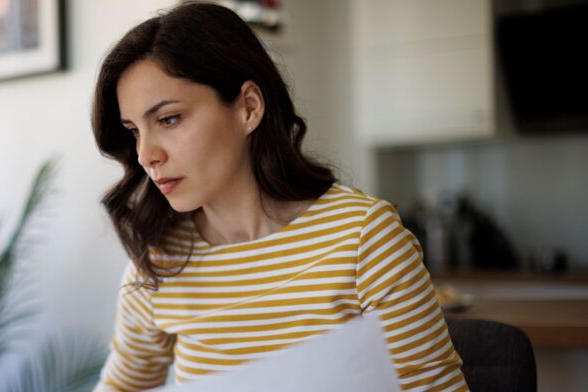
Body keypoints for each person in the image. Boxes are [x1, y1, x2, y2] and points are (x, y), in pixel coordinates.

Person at [90, 3, 467, 391]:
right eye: (134, 131)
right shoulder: (159, 262)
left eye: (168, 120)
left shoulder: (364, 240)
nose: (146, 154)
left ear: (248, 108)